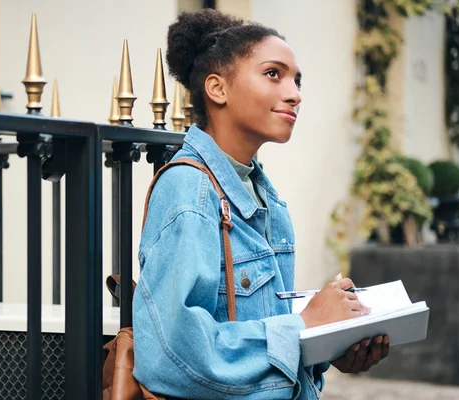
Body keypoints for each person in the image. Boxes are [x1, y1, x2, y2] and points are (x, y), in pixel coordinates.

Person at [133, 9, 389, 399]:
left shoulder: (265, 198)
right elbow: (174, 356)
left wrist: (328, 341)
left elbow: (262, 335)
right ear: (217, 89)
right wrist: (303, 326)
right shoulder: (190, 191)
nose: (295, 93)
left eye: (297, 80)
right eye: (274, 74)